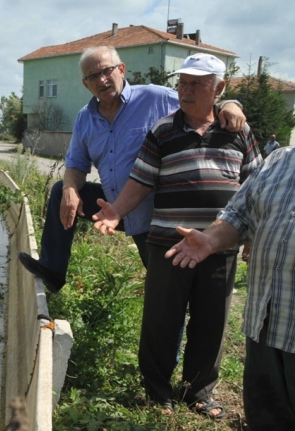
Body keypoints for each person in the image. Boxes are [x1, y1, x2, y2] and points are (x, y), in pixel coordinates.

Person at [92, 53, 262, 417]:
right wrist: (117, 211)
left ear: (219, 89)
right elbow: (141, 180)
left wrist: (249, 235)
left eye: (197, 84)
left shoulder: (238, 132)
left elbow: (253, 187)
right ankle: (157, 392)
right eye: (182, 82)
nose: (186, 90)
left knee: (212, 320)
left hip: (220, 245)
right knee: (161, 318)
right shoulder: (163, 130)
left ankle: (198, 392)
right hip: (169, 243)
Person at [17, 46, 245, 293]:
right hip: (112, 207)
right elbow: (76, 164)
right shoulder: (85, 118)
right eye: (93, 76)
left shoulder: (154, 98)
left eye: (107, 71)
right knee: (62, 191)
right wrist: (72, 189)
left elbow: (197, 101)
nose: (102, 80)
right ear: (86, 84)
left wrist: (230, 104)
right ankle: (52, 270)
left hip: (154, 214)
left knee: (166, 287)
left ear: (121, 69)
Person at [165, 147, 295, 431]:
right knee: (266, 419)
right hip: (265, 324)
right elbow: (239, 214)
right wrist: (210, 240)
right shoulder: (278, 160)